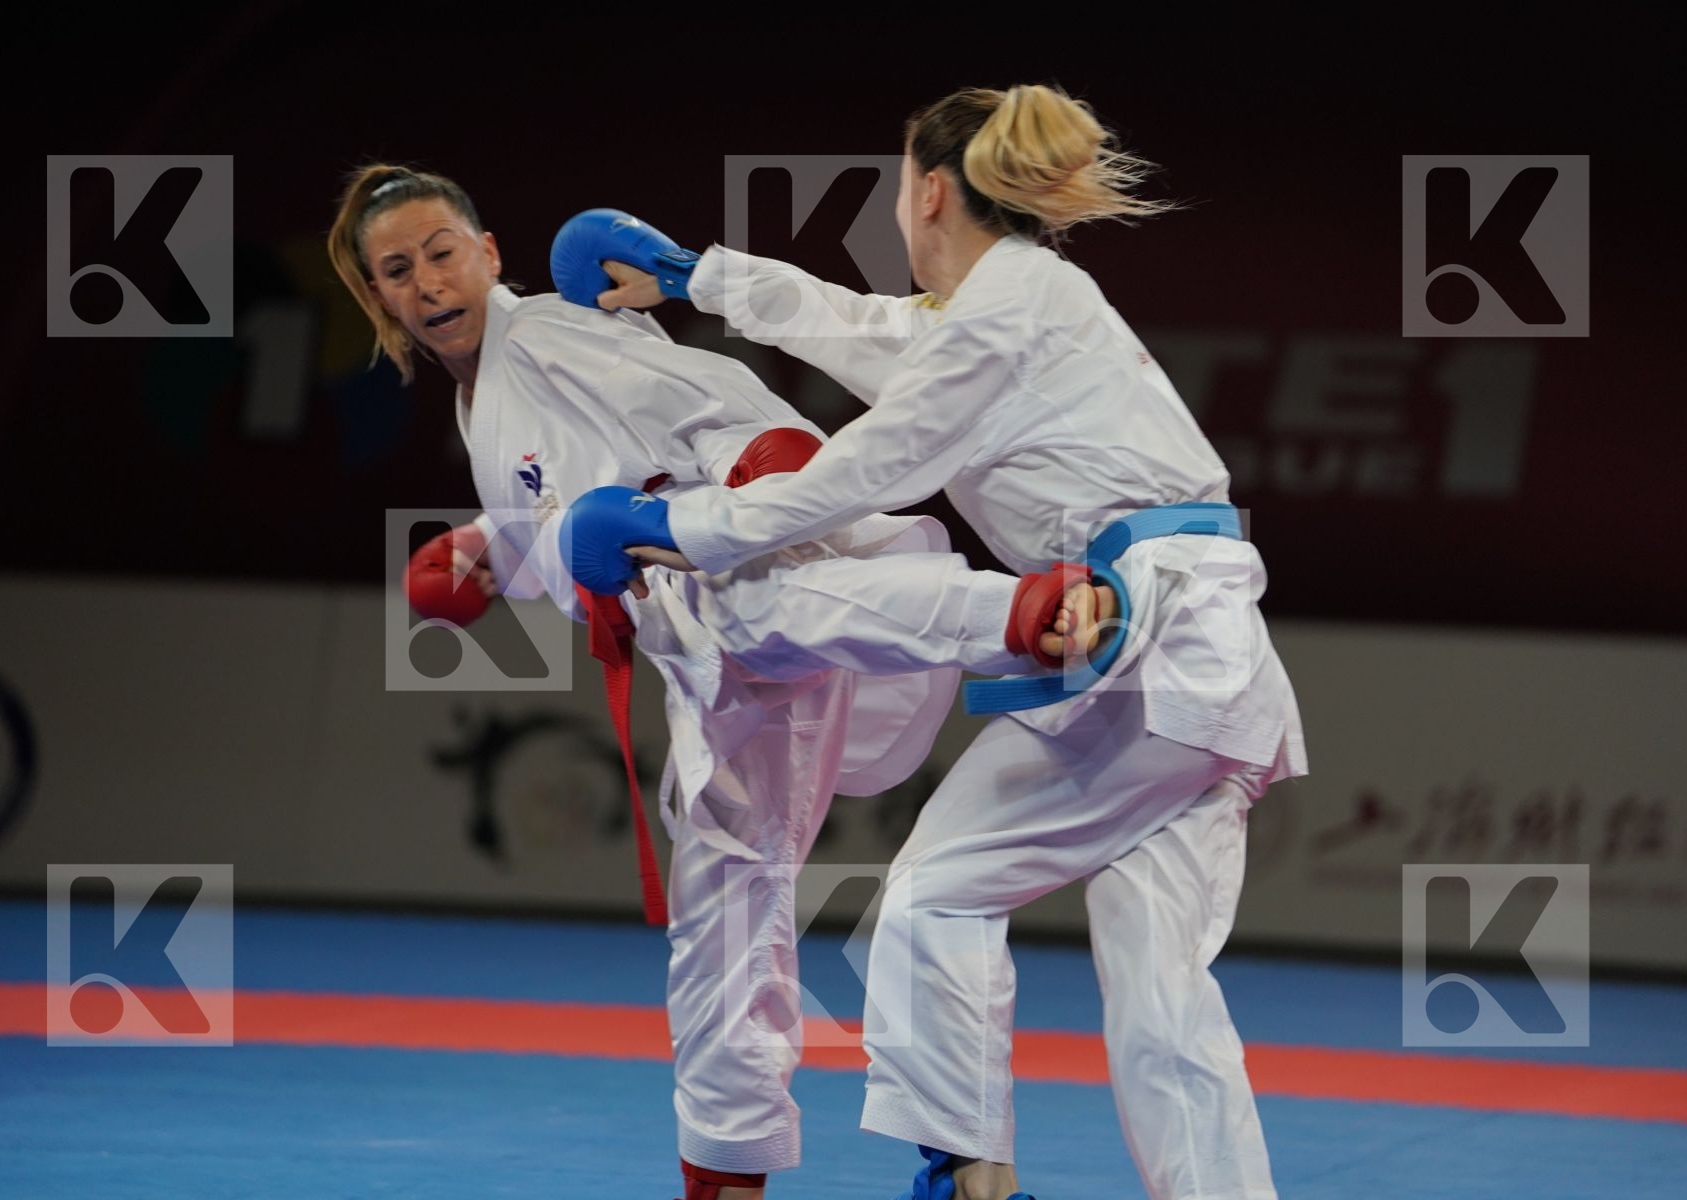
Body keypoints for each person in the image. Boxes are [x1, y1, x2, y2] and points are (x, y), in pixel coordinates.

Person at [559, 84, 1307, 1200]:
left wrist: (673, 527)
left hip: (1145, 647)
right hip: (1206, 664)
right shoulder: (1012, 306)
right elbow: (849, 323)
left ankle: (973, 1180)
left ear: (927, 190)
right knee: (1163, 1002)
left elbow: (854, 475)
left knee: (938, 896)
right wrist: (689, 277)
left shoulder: (1005, 318)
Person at [325, 163, 1109, 1200]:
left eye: (441, 252)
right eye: (398, 270)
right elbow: (565, 517)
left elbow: (709, 401)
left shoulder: (553, 334)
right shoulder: (483, 402)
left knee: (779, 613)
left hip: (739, 562)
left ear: (488, 254)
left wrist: (766, 472)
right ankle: (740, 1176)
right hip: (702, 656)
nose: (427, 282)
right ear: (377, 295)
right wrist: (483, 553)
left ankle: (1024, 613)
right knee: (725, 915)